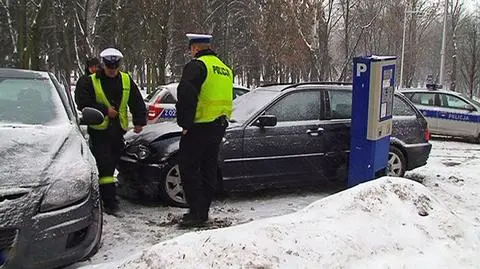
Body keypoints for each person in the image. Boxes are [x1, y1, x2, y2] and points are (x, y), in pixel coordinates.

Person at [75, 48, 147, 216]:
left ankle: (107, 194)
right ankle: (109, 202)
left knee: (113, 163)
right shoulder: (89, 81)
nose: (112, 71)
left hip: (118, 131)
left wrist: (139, 121)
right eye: (109, 67)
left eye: (115, 67)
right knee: (105, 166)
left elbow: (136, 100)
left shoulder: (126, 79)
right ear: (104, 65)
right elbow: (83, 102)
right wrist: (105, 110)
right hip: (99, 131)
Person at [176, 33, 233, 227]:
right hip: (218, 126)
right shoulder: (224, 69)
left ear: (195, 48)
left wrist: (185, 124)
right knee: (208, 169)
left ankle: (195, 212)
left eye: (191, 49)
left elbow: (186, 94)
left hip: (199, 126)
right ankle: (203, 210)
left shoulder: (197, 66)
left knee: (189, 168)